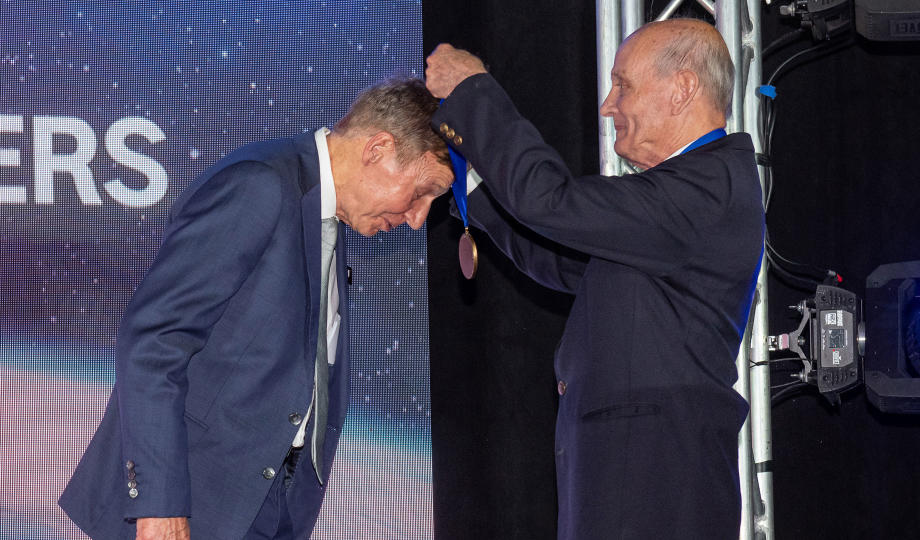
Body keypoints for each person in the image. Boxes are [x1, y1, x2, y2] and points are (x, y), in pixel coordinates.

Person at [59, 78, 453, 540]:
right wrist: (161, 505)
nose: (419, 217)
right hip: (189, 506)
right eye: (423, 191)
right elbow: (154, 341)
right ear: (378, 149)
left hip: (267, 505)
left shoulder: (329, 213)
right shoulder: (261, 184)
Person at [425, 18, 764, 539]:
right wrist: (468, 182)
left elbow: (549, 201)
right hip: (641, 473)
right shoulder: (684, 197)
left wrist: (473, 92)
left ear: (683, 90)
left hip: (656, 476)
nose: (608, 105)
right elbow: (561, 260)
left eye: (623, 85)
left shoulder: (708, 187)